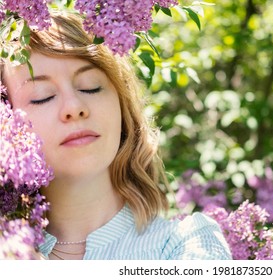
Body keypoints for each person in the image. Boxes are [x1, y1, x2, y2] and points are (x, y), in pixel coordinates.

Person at [0, 10, 232, 260]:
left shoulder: (187, 243)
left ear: (121, 104)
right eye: (42, 96)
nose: (74, 107)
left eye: (91, 87)